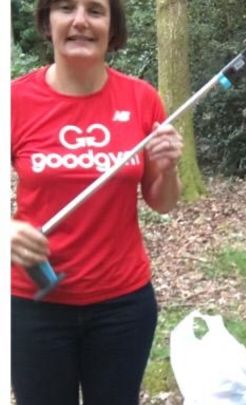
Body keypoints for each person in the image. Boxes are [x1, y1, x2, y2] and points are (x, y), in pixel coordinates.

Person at [10, 0, 183, 403]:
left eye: (96, 10)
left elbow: (161, 202)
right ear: (47, 21)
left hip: (123, 306)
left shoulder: (142, 99)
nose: (80, 21)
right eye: (66, 8)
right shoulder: (14, 101)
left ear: (112, 25)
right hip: (33, 305)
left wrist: (168, 168)